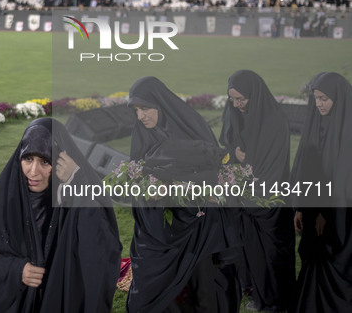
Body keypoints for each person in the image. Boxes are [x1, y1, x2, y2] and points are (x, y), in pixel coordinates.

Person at [0, 118, 121, 313]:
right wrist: (17, 270)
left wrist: (77, 182)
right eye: (28, 159)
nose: (33, 171)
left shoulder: (70, 197)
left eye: (45, 161)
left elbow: (102, 248)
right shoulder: (4, 200)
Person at [126, 76, 241, 313]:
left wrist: (175, 187)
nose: (140, 116)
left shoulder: (191, 127)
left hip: (195, 227)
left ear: (160, 104)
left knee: (200, 288)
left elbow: (216, 174)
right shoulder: (142, 134)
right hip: (156, 226)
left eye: (145, 108)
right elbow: (135, 177)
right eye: (136, 110)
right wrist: (149, 192)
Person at [219, 70, 295, 312]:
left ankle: (276, 299)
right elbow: (227, 146)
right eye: (233, 99)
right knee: (248, 247)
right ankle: (253, 289)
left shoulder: (273, 120)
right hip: (242, 195)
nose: (237, 104)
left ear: (255, 95)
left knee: (271, 251)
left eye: (242, 99)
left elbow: (272, 165)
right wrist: (235, 154)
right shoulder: (234, 112)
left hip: (267, 199)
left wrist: (248, 176)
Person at [291, 72, 352, 312]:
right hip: (312, 206)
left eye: (324, 98)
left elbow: (341, 179)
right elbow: (305, 169)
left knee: (332, 258)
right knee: (313, 258)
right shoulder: (315, 124)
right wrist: (299, 207)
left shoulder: (347, 131)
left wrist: (324, 212)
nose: (319, 104)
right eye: (316, 98)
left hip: (338, 213)